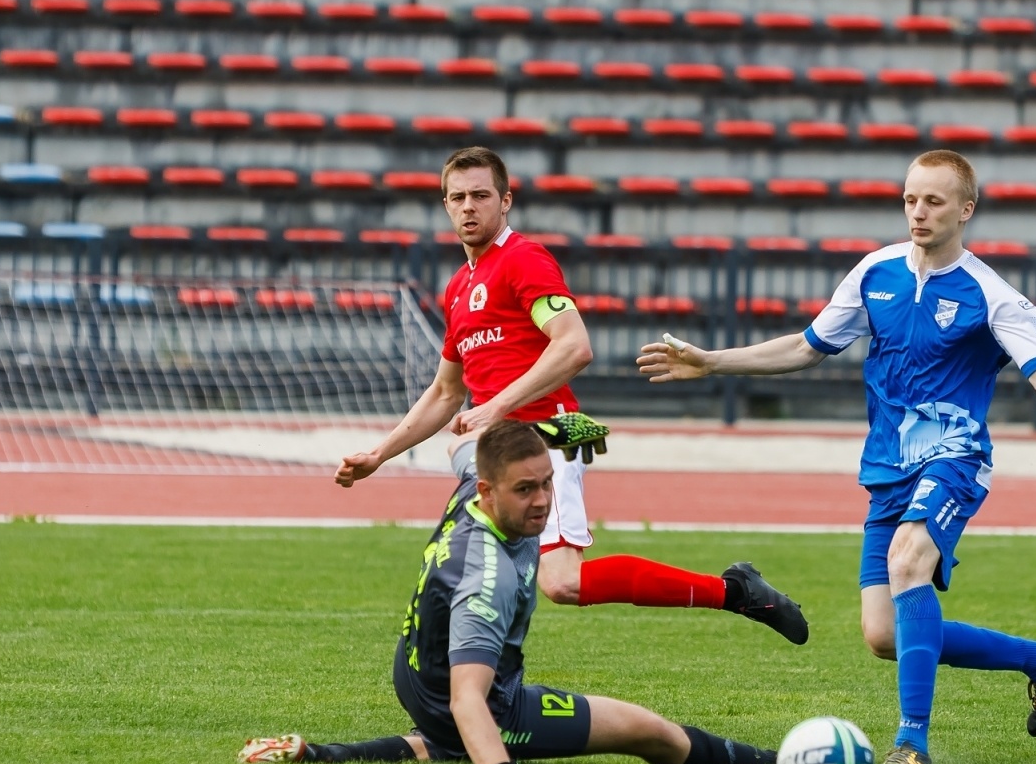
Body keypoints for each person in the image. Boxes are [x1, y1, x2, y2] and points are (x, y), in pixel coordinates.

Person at [637, 149, 1036, 764]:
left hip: (955, 456)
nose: (918, 212)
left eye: (934, 201)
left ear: (965, 210)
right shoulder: (874, 273)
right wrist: (711, 360)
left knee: (908, 559)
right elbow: (807, 348)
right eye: (911, 199)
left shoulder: (989, 293)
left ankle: (911, 742)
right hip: (887, 468)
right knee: (883, 635)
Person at [335, 145, 808, 645]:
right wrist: (380, 455)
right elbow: (446, 392)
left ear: (506, 201)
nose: (469, 206)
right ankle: (478, 686)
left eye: (480, 195)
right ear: (446, 206)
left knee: (561, 581)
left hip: (547, 437)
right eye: (458, 197)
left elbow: (574, 345)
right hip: (500, 446)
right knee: (482, 561)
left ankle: (734, 591)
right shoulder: (458, 287)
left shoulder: (522, 260)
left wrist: (495, 406)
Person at [243, 420, 777, 764]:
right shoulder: (487, 577)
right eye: (526, 489)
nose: (543, 501)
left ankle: (321, 754)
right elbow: (468, 700)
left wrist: (546, 430)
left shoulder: (476, 483)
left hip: (414, 672)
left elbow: (463, 440)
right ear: (490, 494)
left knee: (441, 739)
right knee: (649, 732)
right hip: (478, 701)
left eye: (547, 483)